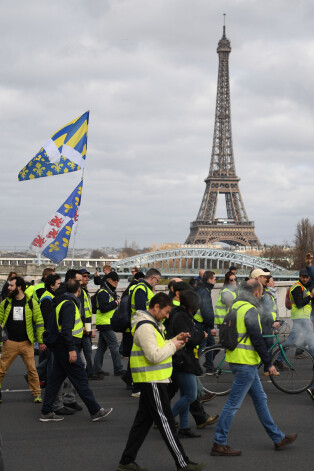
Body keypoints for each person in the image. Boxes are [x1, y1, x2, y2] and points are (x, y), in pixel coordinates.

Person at [117, 292, 205, 471]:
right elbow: (154, 355)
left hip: (152, 379)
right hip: (153, 380)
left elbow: (157, 347)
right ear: (156, 307)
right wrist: (173, 345)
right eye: (165, 312)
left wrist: (174, 340)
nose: (167, 316)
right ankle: (183, 463)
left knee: (142, 423)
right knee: (166, 423)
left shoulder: (150, 324)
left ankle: (126, 462)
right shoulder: (146, 327)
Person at [211, 280, 297, 456]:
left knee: (260, 399)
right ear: (257, 293)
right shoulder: (249, 310)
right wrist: (268, 363)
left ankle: (278, 438)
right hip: (246, 363)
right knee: (232, 405)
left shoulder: (235, 307)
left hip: (236, 360)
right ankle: (219, 443)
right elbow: (257, 339)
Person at [40, 279, 113, 422]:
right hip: (67, 347)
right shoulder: (69, 304)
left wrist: (85, 333)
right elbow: (66, 330)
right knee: (80, 378)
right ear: (78, 290)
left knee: (55, 380)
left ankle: (46, 411)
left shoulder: (62, 302)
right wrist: (72, 350)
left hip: (61, 346)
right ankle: (95, 410)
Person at [168, 290, 218, 438]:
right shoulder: (182, 317)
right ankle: (166, 420)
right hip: (184, 360)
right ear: (193, 305)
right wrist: (202, 335)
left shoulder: (181, 315)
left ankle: (184, 427)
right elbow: (189, 339)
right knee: (190, 395)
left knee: (185, 394)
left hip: (183, 360)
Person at [0, 276, 45, 403]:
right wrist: (3, 339)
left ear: (19, 287)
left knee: (32, 370)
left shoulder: (32, 303)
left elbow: (40, 322)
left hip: (27, 343)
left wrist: (40, 340)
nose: (8, 288)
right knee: (1, 370)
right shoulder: (6, 303)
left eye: (11, 285)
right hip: (10, 343)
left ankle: (37, 394)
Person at [274, 269, 314, 399]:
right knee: (306, 341)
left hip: (303, 318)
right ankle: (279, 359)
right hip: (300, 318)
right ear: (299, 276)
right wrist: (310, 297)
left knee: (295, 339)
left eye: (307, 277)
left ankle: (279, 359)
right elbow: (299, 303)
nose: (305, 278)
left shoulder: (303, 286)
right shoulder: (297, 287)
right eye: (303, 276)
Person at [93, 272, 125, 377]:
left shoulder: (108, 291)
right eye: (114, 280)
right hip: (105, 323)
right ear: (108, 280)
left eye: (117, 280)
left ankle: (97, 369)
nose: (116, 282)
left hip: (105, 322)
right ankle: (118, 369)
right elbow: (103, 308)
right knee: (115, 346)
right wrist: (116, 303)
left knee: (101, 348)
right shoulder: (103, 292)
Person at [251, 269, 281, 375]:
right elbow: (262, 312)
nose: (267, 280)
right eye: (265, 277)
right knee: (260, 347)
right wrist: (271, 322)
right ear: (258, 278)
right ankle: (267, 367)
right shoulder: (257, 292)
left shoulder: (262, 292)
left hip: (263, 324)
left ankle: (266, 368)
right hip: (259, 325)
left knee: (262, 346)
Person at [194, 271, 216, 373]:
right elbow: (206, 310)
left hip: (202, 322)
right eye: (214, 279)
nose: (215, 281)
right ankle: (194, 367)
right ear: (209, 280)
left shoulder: (203, 289)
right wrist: (211, 326)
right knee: (201, 346)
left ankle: (209, 366)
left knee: (211, 343)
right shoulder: (204, 291)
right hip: (201, 323)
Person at [78, 268, 95, 379]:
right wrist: (86, 328)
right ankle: (89, 372)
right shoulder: (80, 292)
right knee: (87, 351)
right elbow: (81, 312)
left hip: (85, 325)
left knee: (85, 351)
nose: (87, 278)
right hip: (83, 327)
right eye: (84, 276)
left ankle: (89, 371)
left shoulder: (83, 290)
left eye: (88, 276)